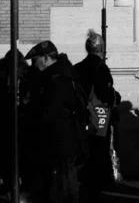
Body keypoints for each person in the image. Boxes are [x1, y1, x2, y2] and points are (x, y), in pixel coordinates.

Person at [25, 40, 88, 203]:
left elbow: (49, 115)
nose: (33, 65)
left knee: (60, 192)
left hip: (59, 146)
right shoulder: (64, 72)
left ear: (45, 58)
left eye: (35, 60)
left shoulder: (56, 80)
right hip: (66, 145)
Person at [74, 30, 121, 202]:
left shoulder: (77, 67)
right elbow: (106, 95)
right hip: (99, 120)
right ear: (102, 49)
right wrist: (116, 97)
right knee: (98, 154)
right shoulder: (101, 68)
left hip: (81, 118)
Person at [0, 50, 37, 199]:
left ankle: (9, 186)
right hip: (23, 122)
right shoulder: (27, 73)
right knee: (23, 156)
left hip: (4, 121)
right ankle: (23, 188)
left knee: (6, 157)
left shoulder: (2, 72)